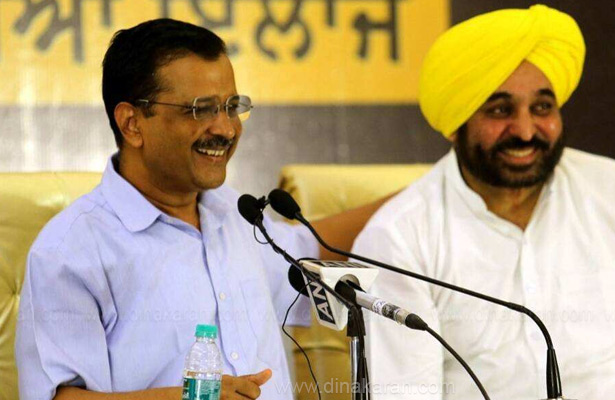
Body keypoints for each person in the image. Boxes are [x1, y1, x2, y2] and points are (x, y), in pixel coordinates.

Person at [16, 19, 382, 400]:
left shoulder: (235, 214)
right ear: (132, 124)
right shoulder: (69, 251)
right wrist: (191, 396)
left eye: (231, 107)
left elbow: (311, 252)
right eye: (201, 110)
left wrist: (419, 195)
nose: (226, 129)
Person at [352, 5, 615, 400]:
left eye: (542, 107)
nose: (524, 130)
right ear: (455, 124)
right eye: (500, 110)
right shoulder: (399, 237)